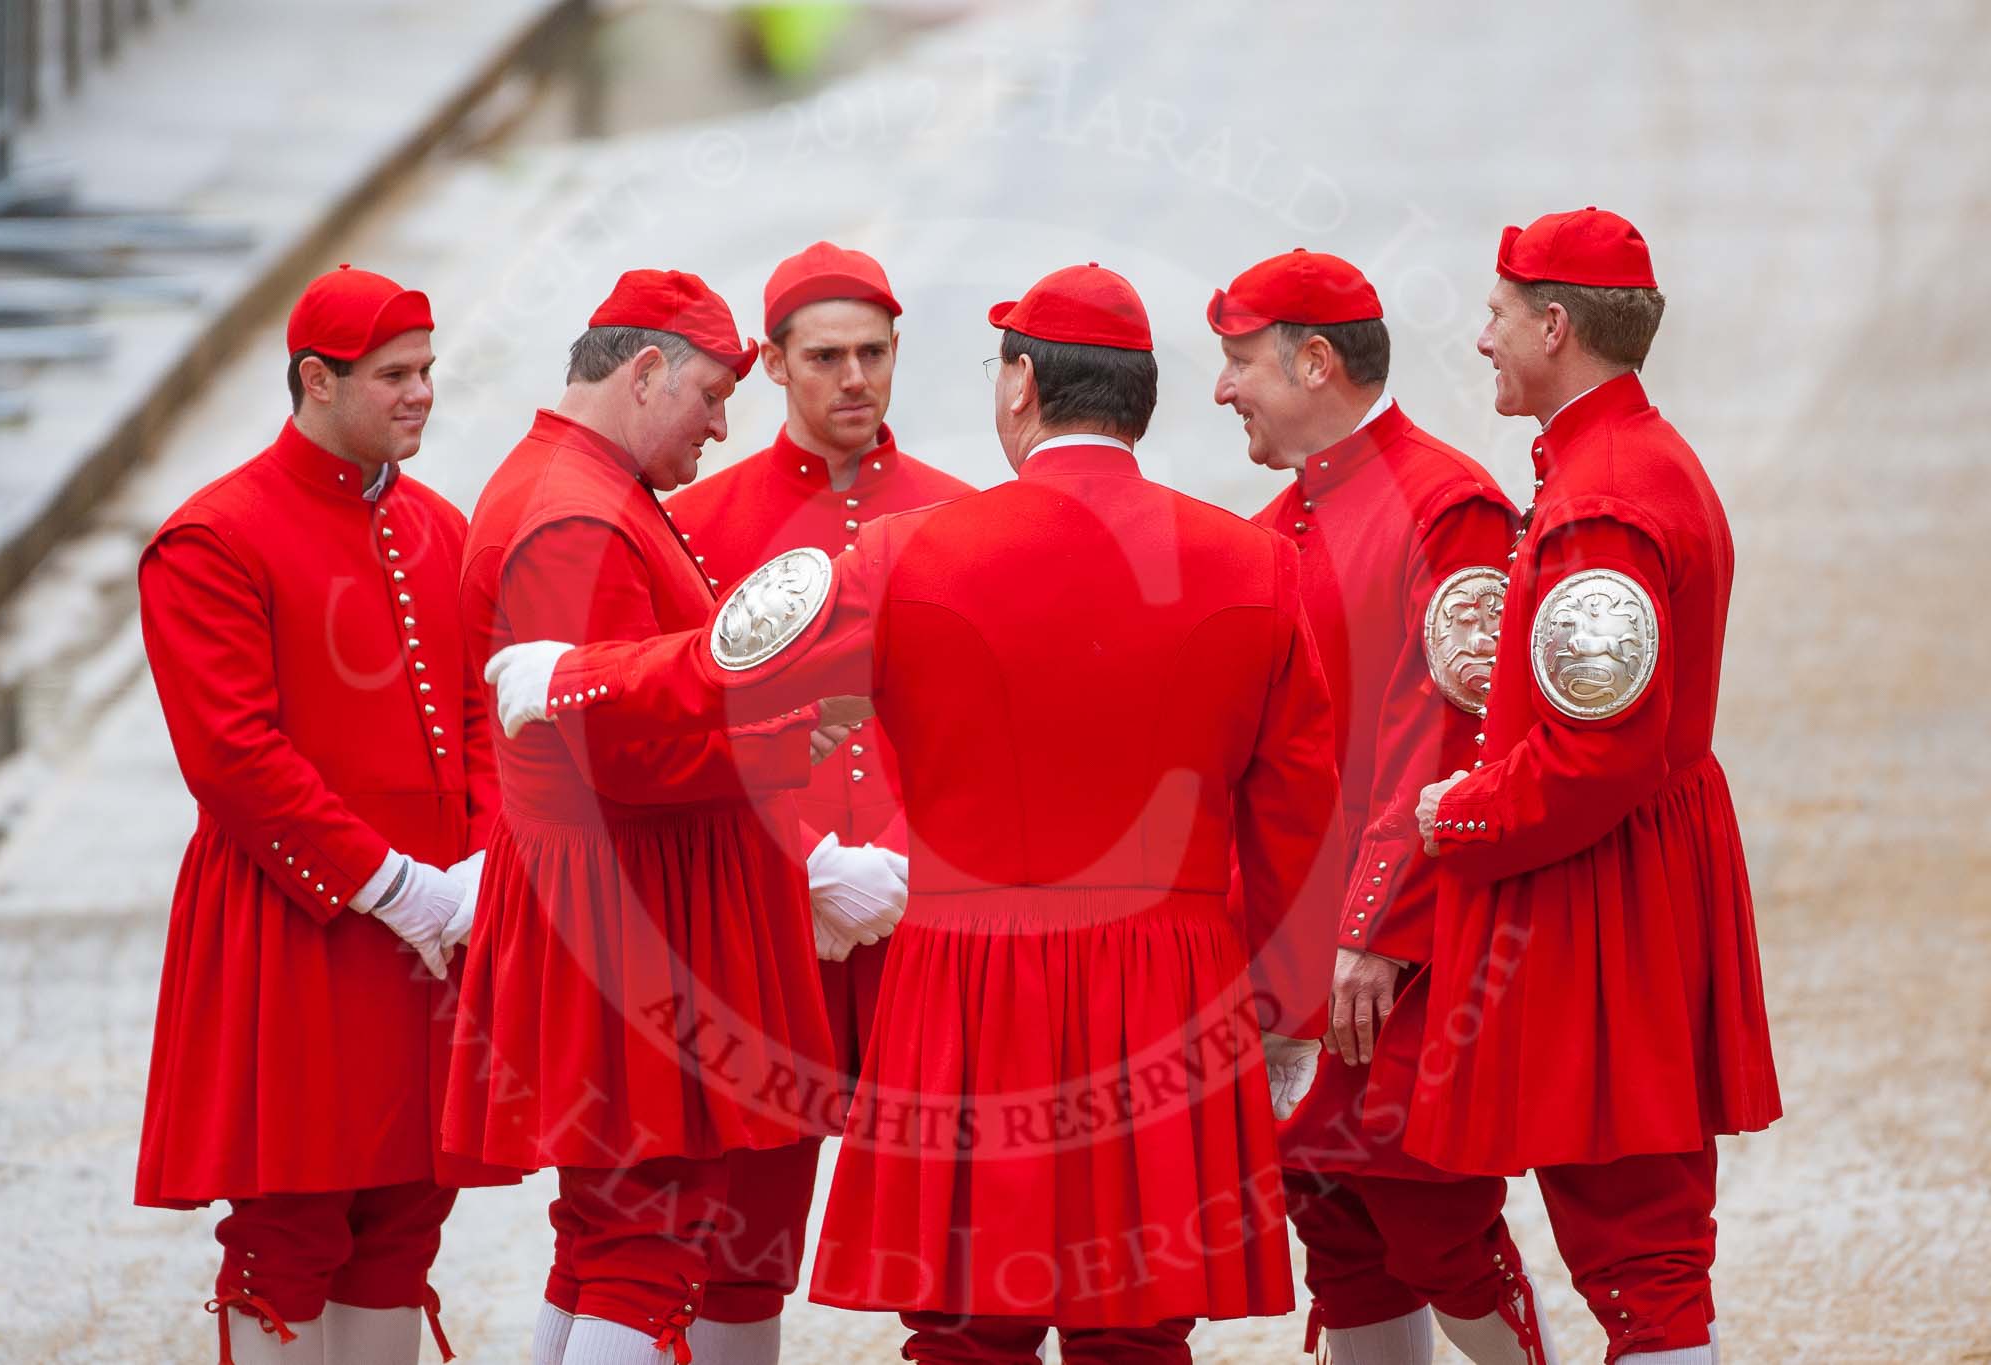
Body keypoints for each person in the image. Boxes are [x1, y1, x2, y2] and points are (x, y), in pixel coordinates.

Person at [485, 263, 1349, 1364]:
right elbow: (1295, 815)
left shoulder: (912, 552)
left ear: (1021, 386)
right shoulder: (1255, 567)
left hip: (968, 978)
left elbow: (731, 669)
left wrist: (570, 677)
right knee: (1137, 1325)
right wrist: (1282, 1010)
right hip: (1166, 983)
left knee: (961, 1326)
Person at [450, 268, 840, 1365]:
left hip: (618, 905)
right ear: (646, 371)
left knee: (606, 1232)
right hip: (638, 912)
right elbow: (624, 751)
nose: (722, 426)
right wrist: (786, 729)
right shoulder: (576, 512)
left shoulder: (575, 487)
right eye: (712, 395)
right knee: (650, 1234)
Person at [1413, 208, 1782, 1365]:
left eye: (1495, 315)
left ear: (1555, 325)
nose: (1480, 339)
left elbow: (1594, 755)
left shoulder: (1599, 497)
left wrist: (1454, 813)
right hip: (1629, 875)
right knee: (1646, 1248)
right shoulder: (1623, 462)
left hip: (1603, 895)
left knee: (1635, 1252)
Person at [134, 265, 506, 1364]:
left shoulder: (443, 524)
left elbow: (483, 717)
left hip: (437, 930)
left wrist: (482, 864)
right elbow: (233, 755)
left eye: (427, 371)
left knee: (404, 1217)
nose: (421, 394)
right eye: (393, 375)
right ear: (315, 380)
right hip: (296, 921)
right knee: (289, 1225)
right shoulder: (213, 537)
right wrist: (393, 883)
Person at [1210, 249, 1555, 1364]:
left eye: (1236, 361)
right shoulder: (1273, 524)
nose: (1220, 390)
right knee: (1339, 1234)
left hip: (1397, 955)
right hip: (1298, 958)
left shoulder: (1444, 506)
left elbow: (1446, 734)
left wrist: (1373, 929)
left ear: (1314, 362)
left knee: (1436, 1228)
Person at [666, 239, 973, 1069]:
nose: (855, 379)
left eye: (874, 353)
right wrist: (806, 865)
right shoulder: (691, 525)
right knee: (756, 1186)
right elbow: (684, 723)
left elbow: (988, 727)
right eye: (825, 357)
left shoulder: (964, 518)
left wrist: (910, 865)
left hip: (929, 905)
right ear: (772, 362)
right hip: (763, 903)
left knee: (934, 1182)